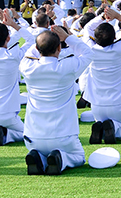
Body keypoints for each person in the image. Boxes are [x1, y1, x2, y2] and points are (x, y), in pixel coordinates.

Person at [21, 25, 92, 175]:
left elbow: (33, 50)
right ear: (59, 48)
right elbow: (88, 53)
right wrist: (67, 37)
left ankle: (39, 157)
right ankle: (60, 159)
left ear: (37, 48)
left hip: (33, 137)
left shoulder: (27, 66)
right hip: (63, 136)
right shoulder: (68, 66)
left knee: (39, 150)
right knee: (79, 157)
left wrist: (44, 38)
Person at [81, 7, 121, 143]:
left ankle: (102, 129)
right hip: (119, 103)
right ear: (115, 37)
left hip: (96, 105)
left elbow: (87, 28)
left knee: (102, 123)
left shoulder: (90, 49)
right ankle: (114, 127)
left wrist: (103, 17)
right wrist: (118, 17)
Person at [1, 9, 31, 145]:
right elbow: (31, 40)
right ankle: (7, 135)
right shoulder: (13, 56)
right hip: (8, 115)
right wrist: (13, 25)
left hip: (9, 115)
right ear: (7, 39)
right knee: (31, 134)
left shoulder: (13, 55)